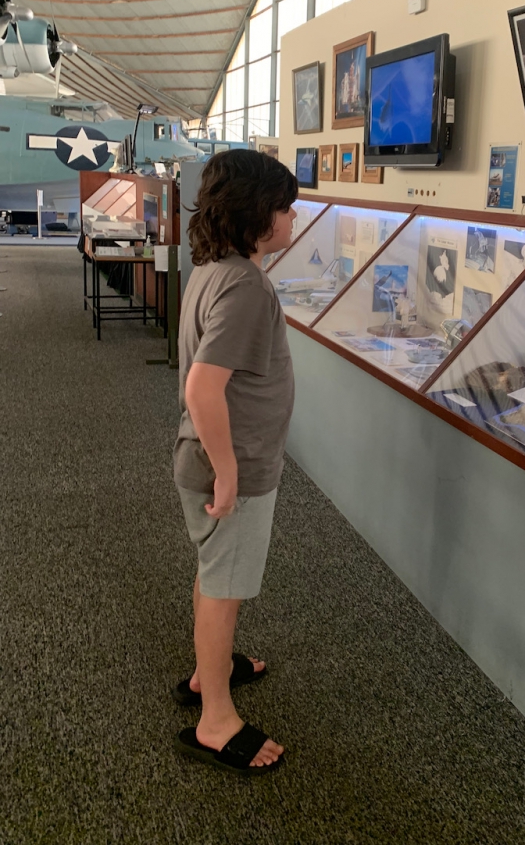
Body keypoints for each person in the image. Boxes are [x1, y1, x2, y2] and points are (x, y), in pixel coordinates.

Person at [172, 149, 298, 775]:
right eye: (284, 206)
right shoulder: (246, 286)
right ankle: (215, 719)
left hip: (218, 459)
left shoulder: (216, 267)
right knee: (224, 587)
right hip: (233, 465)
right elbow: (201, 388)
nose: (292, 215)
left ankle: (208, 671)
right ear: (258, 215)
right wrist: (228, 471)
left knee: (216, 571)